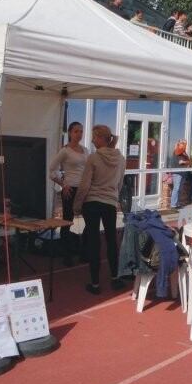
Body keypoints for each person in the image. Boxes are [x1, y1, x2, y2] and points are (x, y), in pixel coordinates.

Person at [73, 125, 126, 294]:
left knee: (94, 242)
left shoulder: (93, 158)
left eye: (94, 137)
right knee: (111, 240)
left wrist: (77, 205)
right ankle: (115, 278)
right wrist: (113, 196)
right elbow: (120, 183)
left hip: (92, 203)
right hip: (109, 203)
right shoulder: (121, 159)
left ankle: (95, 283)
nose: (91, 140)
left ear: (102, 138)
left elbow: (85, 184)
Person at [49, 122, 89, 266]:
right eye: (76, 131)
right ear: (70, 133)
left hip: (84, 189)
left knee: (90, 221)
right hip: (70, 188)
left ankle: (84, 252)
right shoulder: (65, 151)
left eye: (81, 131)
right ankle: (67, 255)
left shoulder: (85, 150)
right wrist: (63, 184)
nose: (79, 134)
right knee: (67, 221)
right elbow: (51, 170)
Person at [170, 139, 191, 209]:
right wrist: (184, 144)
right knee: (176, 188)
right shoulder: (177, 150)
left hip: (183, 173)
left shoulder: (184, 153)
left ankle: (177, 203)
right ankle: (173, 205)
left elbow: (190, 162)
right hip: (177, 173)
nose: (184, 145)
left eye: (185, 144)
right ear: (179, 144)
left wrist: (184, 162)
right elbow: (179, 151)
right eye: (182, 143)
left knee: (180, 189)